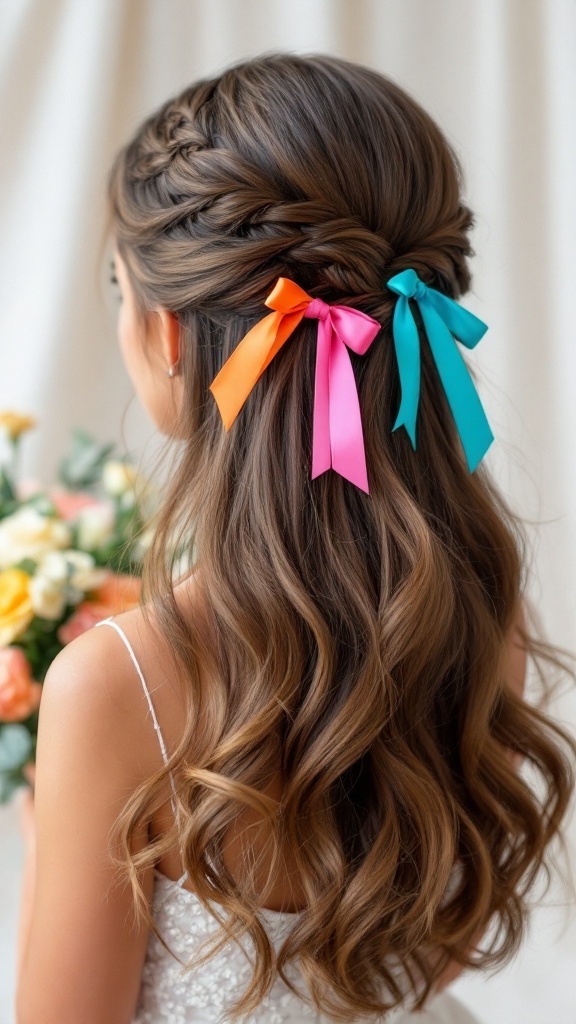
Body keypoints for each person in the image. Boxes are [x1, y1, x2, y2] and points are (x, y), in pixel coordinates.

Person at [14, 53, 576, 1024]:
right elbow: (412, 960)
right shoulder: (487, 614)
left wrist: (44, 843)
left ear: (172, 334)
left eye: (119, 287)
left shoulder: (116, 684)